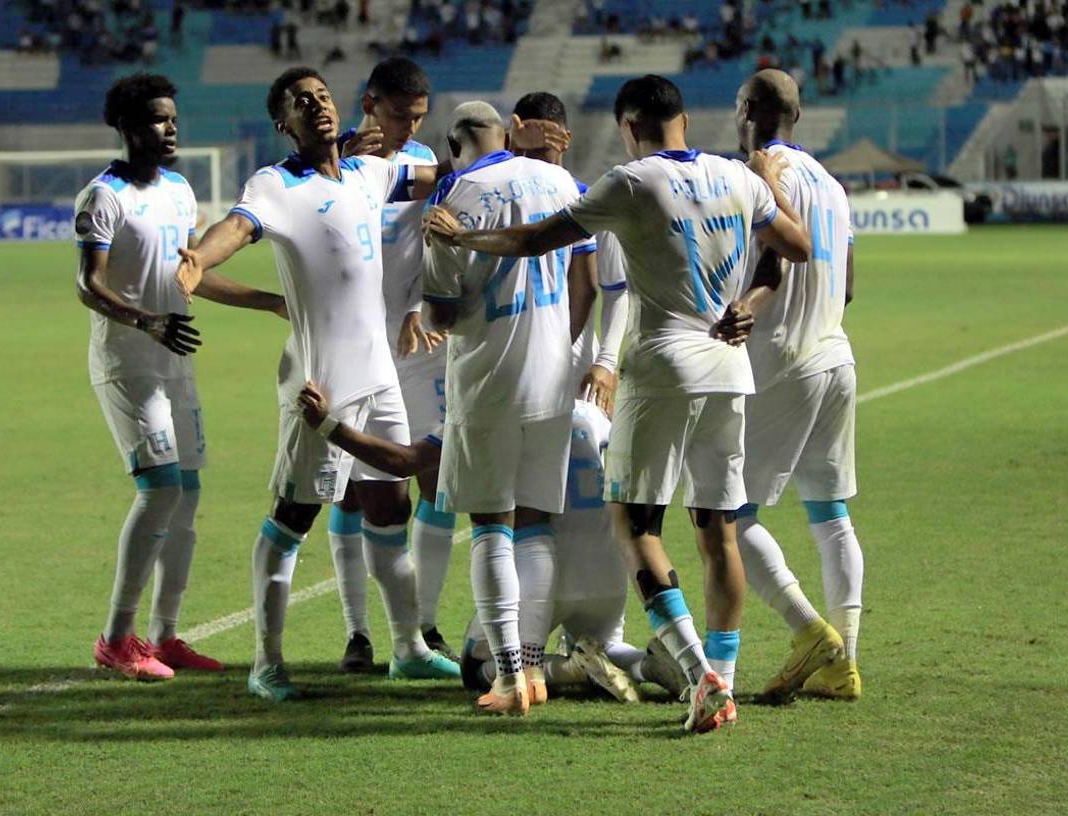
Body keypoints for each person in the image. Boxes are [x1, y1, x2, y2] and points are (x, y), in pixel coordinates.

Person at [423, 74, 811, 732]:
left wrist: (462, 240)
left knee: (635, 529)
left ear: (631, 126)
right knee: (719, 534)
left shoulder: (631, 182)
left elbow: (529, 240)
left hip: (664, 369)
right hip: (729, 369)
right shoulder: (736, 178)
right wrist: (763, 201)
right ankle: (726, 676)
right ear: (684, 118)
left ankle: (700, 677)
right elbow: (798, 246)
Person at [175, 68, 568, 702]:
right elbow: (237, 227)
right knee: (292, 517)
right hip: (320, 381)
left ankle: (408, 647)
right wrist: (201, 256)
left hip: (382, 374)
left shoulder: (371, 173)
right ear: (284, 123)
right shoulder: (277, 184)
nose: (316, 105)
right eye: (301, 102)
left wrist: (521, 153)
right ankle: (266, 664)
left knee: (392, 506)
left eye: (322, 95)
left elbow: (450, 172)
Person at [76, 73, 285, 682]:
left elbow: (193, 275)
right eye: (156, 120)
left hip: (175, 360)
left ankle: (165, 636)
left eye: (172, 118)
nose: (169, 129)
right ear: (127, 127)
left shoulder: (179, 190)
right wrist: (147, 322)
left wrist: (269, 301)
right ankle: (117, 637)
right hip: (128, 362)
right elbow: (90, 284)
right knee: (161, 488)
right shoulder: (104, 195)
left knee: (188, 494)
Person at [294, 385, 689, 703]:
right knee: (609, 644)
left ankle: (566, 669)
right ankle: (646, 666)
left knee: (475, 665)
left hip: (540, 570)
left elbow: (404, 462)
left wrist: (329, 425)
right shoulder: (599, 413)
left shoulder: (492, 400)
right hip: (606, 566)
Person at [421, 101, 596, 716]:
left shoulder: (457, 194)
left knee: (491, 528)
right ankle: (534, 667)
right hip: (551, 379)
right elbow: (588, 281)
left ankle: (508, 677)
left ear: (455, 141)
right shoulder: (561, 182)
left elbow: (441, 312)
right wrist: (560, 346)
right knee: (534, 524)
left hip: (488, 380)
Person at [732, 69, 862, 702]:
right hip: (837, 355)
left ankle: (808, 630)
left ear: (749, 109)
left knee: (728, 514)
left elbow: (767, 267)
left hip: (780, 361)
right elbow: (851, 285)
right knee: (831, 514)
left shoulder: (761, 177)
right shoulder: (834, 186)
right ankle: (845, 663)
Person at [325, 57, 457, 670]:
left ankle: (422, 626)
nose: (408, 127)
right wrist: (342, 158)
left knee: (427, 479)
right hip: (348, 349)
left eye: (418, 118)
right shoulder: (330, 164)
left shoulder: (420, 163)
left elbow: (442, 208)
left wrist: (417, 303)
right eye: (401, 115)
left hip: (413, 347)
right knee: (351, 493)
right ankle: (358, 634)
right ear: (370, 102)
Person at [510, 91, 628, 416]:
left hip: (574, 369)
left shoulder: (592, 204)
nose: (536, 164)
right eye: (526, 152)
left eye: (543, 152)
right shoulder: (499, 205)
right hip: (510, 362)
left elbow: (617, 292)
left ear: (565, 140)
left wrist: (606, 362)